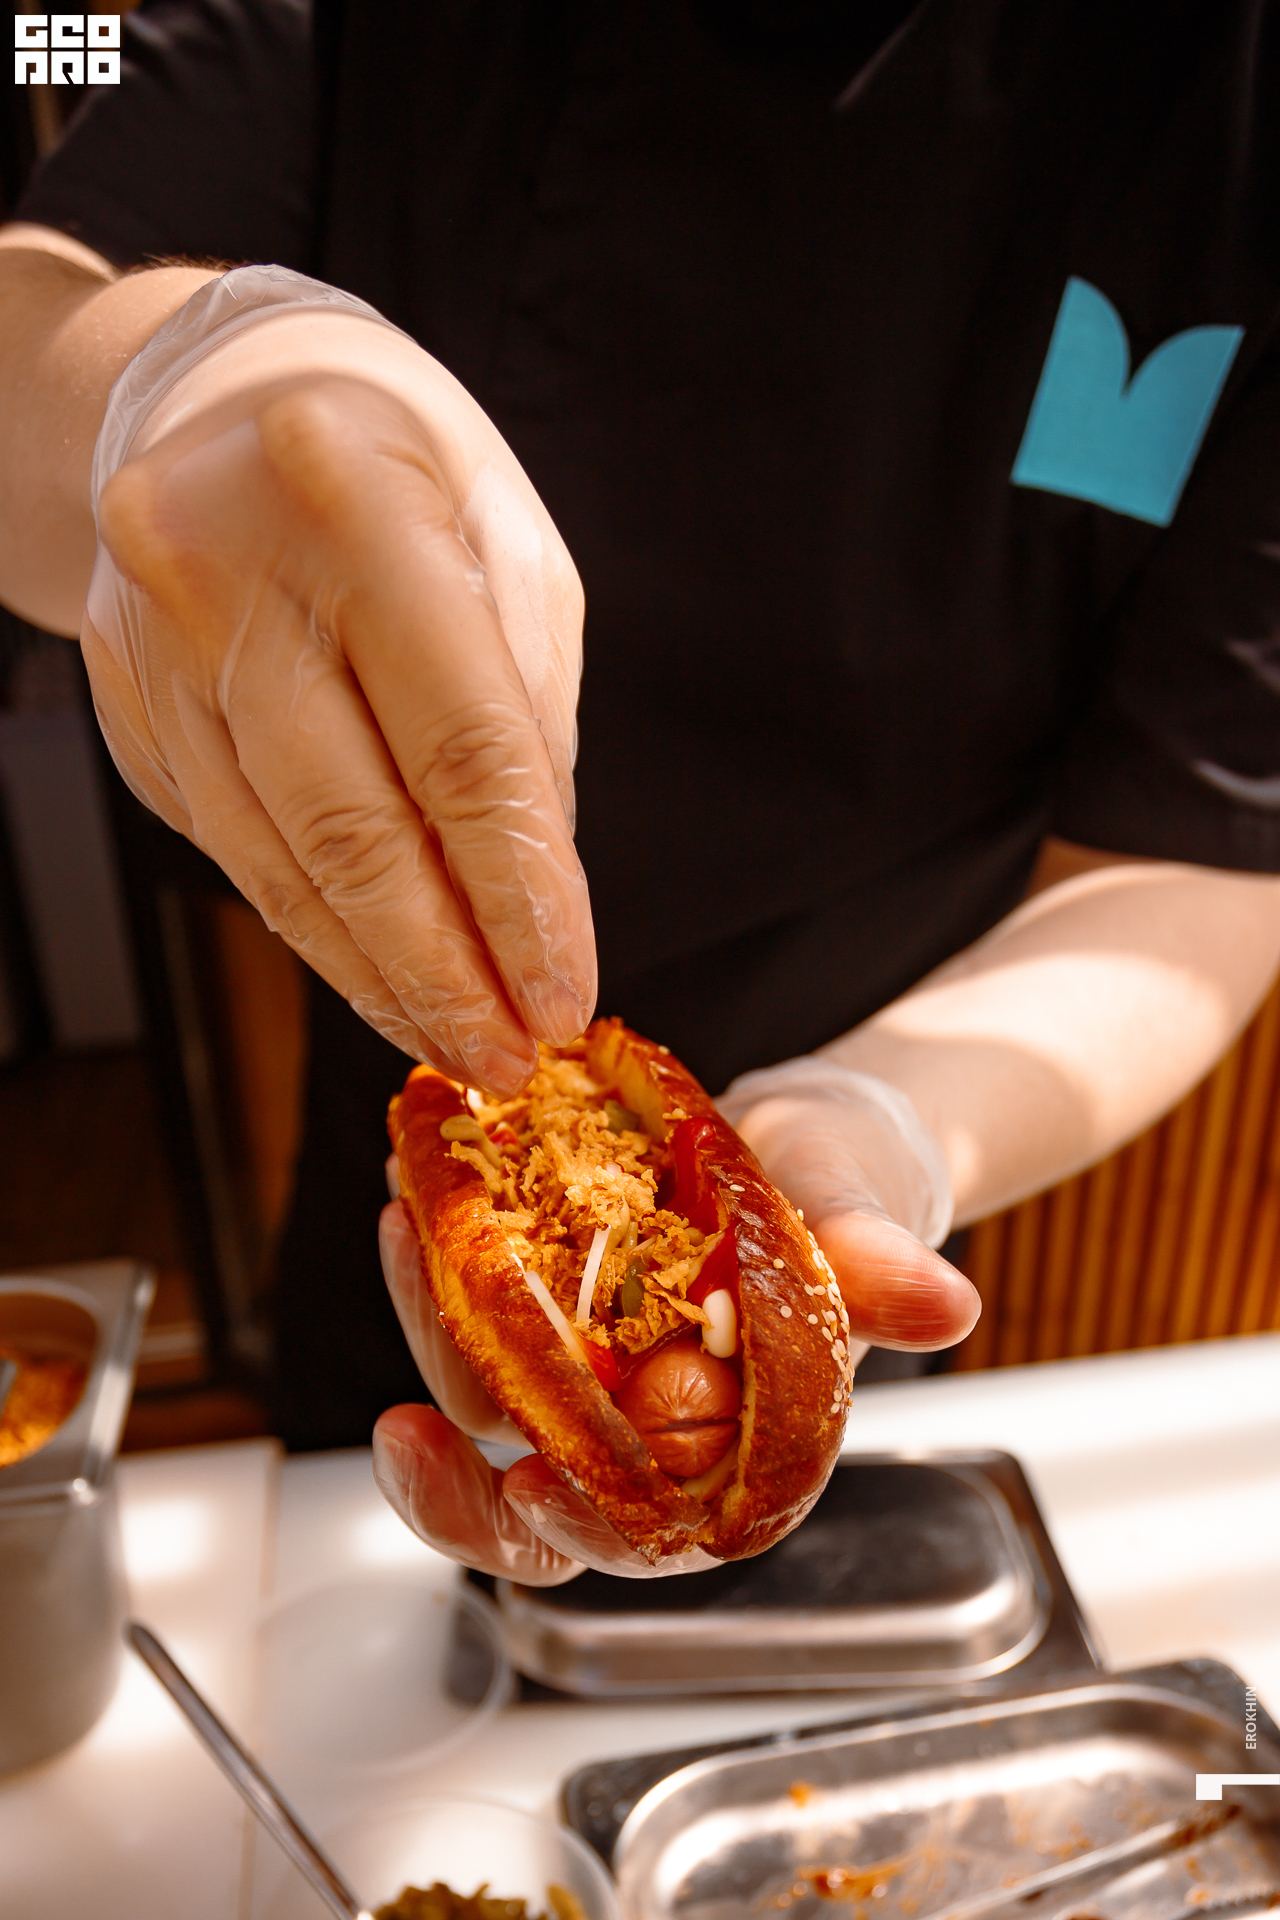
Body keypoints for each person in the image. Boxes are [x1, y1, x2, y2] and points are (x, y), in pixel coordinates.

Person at [2, 1, 1280, 1579]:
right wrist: (170, 380)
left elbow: (1197, 850)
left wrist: (888, 1123)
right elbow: (27, 294)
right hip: (402, 1114)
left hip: (853, 1198)